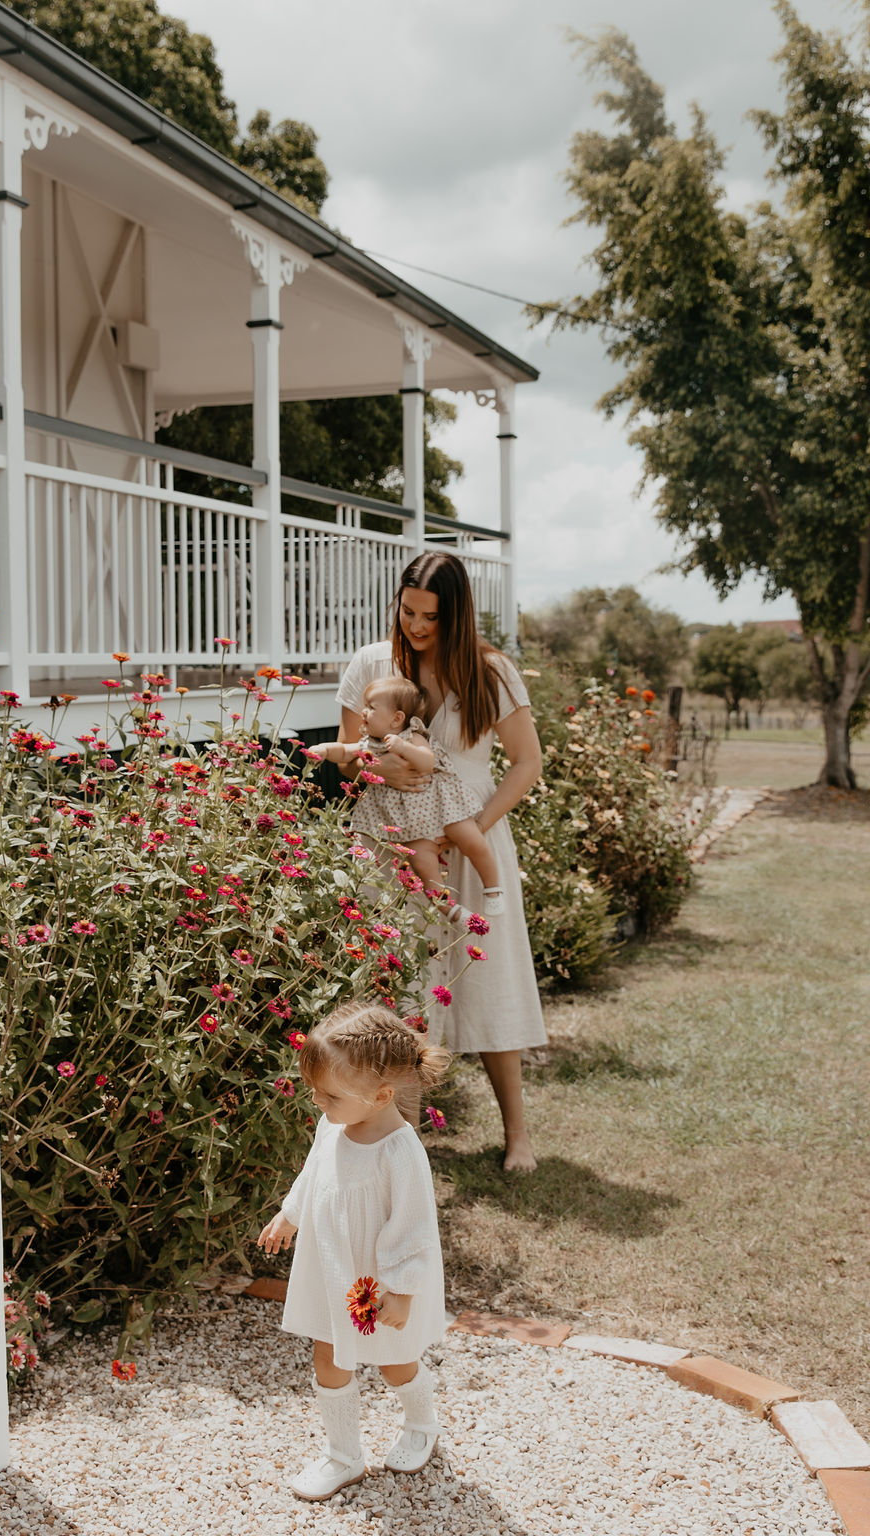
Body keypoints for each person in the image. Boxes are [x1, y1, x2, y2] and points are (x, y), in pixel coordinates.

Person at [335, 550, 547, 1172]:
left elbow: (527, 764)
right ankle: (399, 1138)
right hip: (392, 842)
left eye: (431, 616)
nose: (417, 626)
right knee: (398, 982)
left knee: (489, 978)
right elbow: (349, 757)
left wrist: (472, 828)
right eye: (408, 611)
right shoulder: (372, 664)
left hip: (471, 837)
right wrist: (380, 765)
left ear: (456, 615)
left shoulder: (490, 671)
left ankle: (517, 1135)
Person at [257, 1001, 450, 1502]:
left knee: (393, 1363)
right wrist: (290, 1213)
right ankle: (343, 1455)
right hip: (333, 1271)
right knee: (329, 1354)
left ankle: (422, 1423)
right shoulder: (333, 1125)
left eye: (329, 1095)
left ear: (382, 1094)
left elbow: (414, 1227)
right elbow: (314, 1173)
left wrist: (403, 1291)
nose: (318, 1102)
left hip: (376, 1283)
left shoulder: (400, 1152)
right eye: (316, 1091)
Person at [306, 674, 504, 917]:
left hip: (442, 803)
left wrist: (403, 748)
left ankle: (493, 887)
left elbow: (427, 761)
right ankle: (447, 908)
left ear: (397, 718)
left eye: (370, 707)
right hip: (412, 819)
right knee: (422, 863)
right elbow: (345, 751)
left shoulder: (412, 735)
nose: (364, 712)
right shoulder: (369, 743)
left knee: (472, 839)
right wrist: (325, 750)